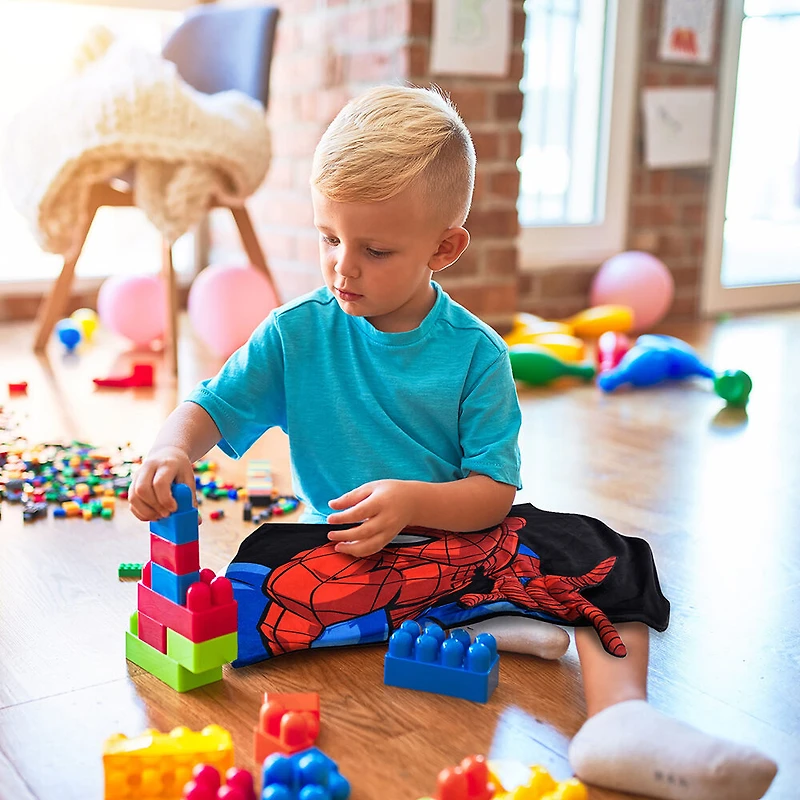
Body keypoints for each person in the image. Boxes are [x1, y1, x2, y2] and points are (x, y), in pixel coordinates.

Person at [129, 85, 777, 800]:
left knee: (609, 555)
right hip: (351, 552)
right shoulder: (295, 333)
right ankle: (487, 617)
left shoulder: (477, 356)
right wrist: (170, 449)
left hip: (469, 543)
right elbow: (210, 407)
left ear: (446, 247)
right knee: (257, 566)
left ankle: (620, 719)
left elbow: (493, 494)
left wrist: (413, 502)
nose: (344, 266)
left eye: (375, 249)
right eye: (329, 238)